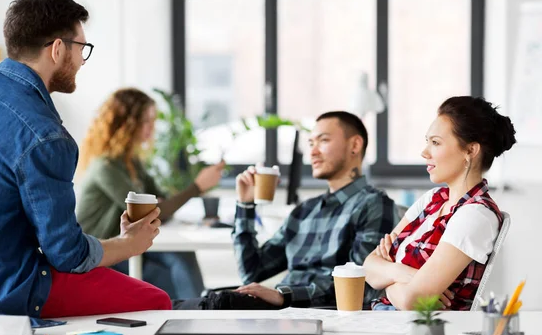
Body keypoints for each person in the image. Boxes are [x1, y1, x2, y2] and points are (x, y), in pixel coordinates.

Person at [0, 0, 171, 328]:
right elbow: (67, 256)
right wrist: (127, 244)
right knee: (157, 300)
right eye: (82, 49)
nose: (81, 61)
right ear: (58, 49)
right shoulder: (45, 137)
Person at [173, 111, 398, 310]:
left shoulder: (373, 205)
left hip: (317, 312)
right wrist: (246, 206)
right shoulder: (304, 212)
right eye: (310, 143)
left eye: (324, 140)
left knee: (214, 305)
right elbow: (252, 272)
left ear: (355, 145)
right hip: (285, 308)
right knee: (191, 303)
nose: (313, 152)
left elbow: (360, 287)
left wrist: (285, 296)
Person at [365, 96, 517, 311]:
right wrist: (406, 275)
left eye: (435, 143)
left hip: (427, 333)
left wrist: (387, 277)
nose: (424, 152)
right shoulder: (432, 200)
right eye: (427, 141)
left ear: (470, 151)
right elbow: (369, 267)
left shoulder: (475, 216)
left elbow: (412, 301)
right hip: (387, 318)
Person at [76, 88, 225, 299]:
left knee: (180, 256)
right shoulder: (105, 167)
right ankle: (196, 311)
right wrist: (197, 187)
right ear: (126, 124)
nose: (151, 127)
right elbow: (158, 211)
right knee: (173, 266)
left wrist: (159, 206)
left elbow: (160, 202)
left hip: (125, 246)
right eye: (145, 121)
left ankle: (197, 310)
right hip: (103, 255)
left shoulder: (132, 163)